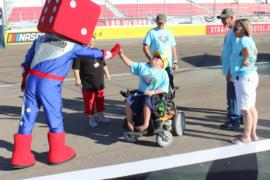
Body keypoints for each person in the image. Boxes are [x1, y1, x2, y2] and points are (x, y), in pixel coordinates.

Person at [10, 33, 120, 168]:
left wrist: (24, 79)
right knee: (54, 117)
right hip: (49, 83)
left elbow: (27, 62)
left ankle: (20, 155)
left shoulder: (41, 39)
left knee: (27, 117)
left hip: (31, 80)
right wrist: (114, 50)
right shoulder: (72, 45)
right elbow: (97, 54)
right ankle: (57, 152)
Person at [118, 48, 169, 132]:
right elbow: (130, 64)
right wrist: (121, 54)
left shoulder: (163, 73)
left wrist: (153, 92)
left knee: (147, 100)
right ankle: (130, 122)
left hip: (155, 95)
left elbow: (164, 88)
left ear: (162, 64)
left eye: (158, 58)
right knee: (129, 99)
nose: (155, 58)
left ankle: (145, 124)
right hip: (141, 93)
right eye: (155, 56)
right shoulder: (144, 66)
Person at [230, 19, 259, 144]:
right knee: (251, 107)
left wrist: (246, 59)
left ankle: (246, 137)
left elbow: (247, 51)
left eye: (236, 28)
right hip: (251, 76)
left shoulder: (243, 41)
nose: (233, 30)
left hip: (244, 78)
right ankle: (252, 134)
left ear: (243, 29)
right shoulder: (249, 39)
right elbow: (251, 51)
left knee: (245, 109)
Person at [72, 36, 111, 128]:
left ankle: (101, 116)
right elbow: (76, 68)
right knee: (89, 102)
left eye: (93, 41)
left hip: (99, 83)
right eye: (89, 41)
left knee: (100, 100)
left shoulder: (98, 52)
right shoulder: (80, 53)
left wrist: (107, 74)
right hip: (87, 84)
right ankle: (92, 118)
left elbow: (104, 64)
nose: (91, 42)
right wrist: (77, 79)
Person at [217, 8, 242, 130]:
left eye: (224, 18)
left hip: (233, 70)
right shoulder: (232, 30)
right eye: (221, 19)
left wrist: (229, 71)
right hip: (232, 69)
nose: (222, 21)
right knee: (236, 95)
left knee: (232, 96)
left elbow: (236, 54)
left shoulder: (236, 31)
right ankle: (239, 116)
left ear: (231, 17)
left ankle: (233, 119)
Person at [143, 13, 179, 89]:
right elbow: (145, 47)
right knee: (156, 83)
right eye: (159, 22)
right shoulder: (151, 32)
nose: (160, 24)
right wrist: (151, 59)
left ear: (165, 22)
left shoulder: (169, 32)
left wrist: (175, 62)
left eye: (162, 22)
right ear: (156, 22)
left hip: (168, 63)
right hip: (156, 64)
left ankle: (169, 97)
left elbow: (173, 47)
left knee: (170, 81)